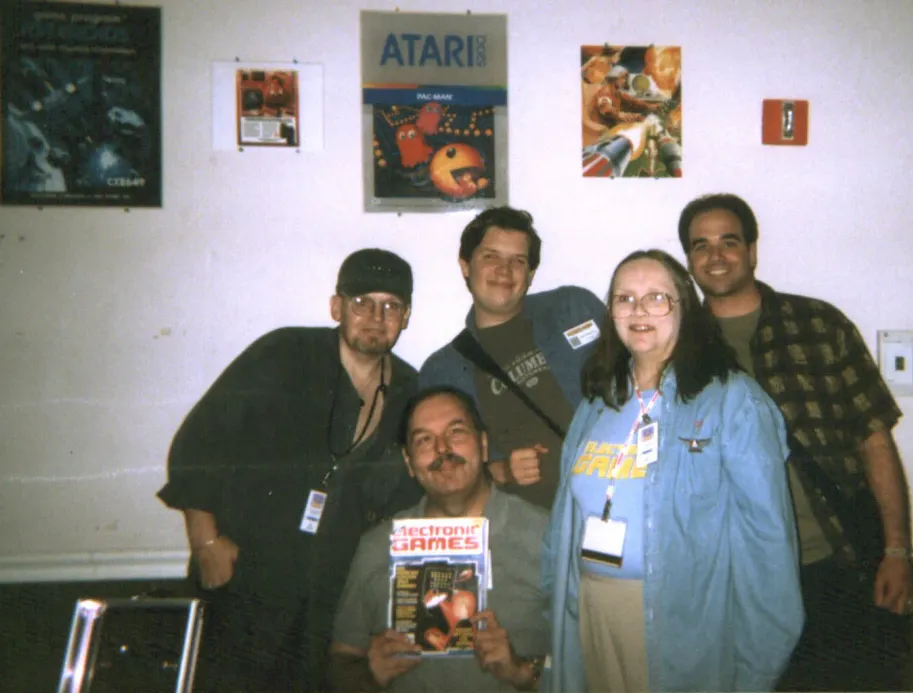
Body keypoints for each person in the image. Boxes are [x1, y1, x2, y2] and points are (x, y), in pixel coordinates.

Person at [677, 193, 913, 691]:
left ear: (752, 251)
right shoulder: (677, 347)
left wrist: (897, 551)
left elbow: (873, 440)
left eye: (729, 241)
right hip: (738, 578)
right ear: (688, 261)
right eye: (701, 246)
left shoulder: (818, 324)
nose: (716, 256)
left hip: (839, 561)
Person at [156, 248, 424, 692]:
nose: (376, 316)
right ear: (336, 306)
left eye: (391, 306)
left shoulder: (412, 390)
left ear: (407, 315)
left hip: (333, 599)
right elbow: (200, 441)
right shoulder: (283, 354)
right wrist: (204, 540)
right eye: (361, 302)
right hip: (245, 577)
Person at [541, 249, 804, 693]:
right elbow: (562, 521)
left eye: (657, 297)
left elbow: (768, 541)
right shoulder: (597, 400)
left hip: (685, 624)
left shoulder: (732, 401)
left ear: (686, 309)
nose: (639, 310)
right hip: (592, 611)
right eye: (624, 298)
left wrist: (759, 666)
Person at [328, 386, 550, 692]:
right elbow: (341, 660)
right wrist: (369, 675)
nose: (442, 449)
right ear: (409, 462)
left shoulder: (546, 535)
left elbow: (591, 660)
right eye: (424, 440)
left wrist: (523, 671)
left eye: (456, 432)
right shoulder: (377, 545)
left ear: (483, 446)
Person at [419, 206, 606, 510]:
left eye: (518, 261)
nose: (504, 271)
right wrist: (500, 471)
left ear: (530, 274)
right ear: (465, 266)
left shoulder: (573, 309)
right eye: (491, 257)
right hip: (525, 528)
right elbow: (437, 473)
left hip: (608, 498)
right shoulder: (442, 371)